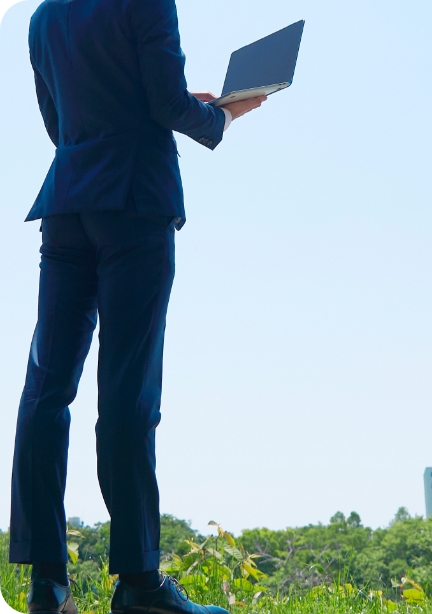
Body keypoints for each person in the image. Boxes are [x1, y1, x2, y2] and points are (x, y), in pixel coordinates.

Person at [9, 0, 266, 612]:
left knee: (45, 392)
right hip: (134, 205)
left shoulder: (42, 17)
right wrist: (220, 116)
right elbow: (163, 106)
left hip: (68, 207)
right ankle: (139, 585)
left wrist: (180, 98)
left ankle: (46, 585)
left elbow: (62, 123)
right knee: (128, 393)